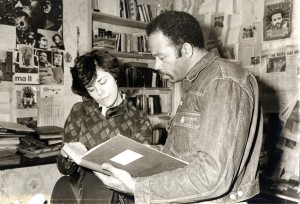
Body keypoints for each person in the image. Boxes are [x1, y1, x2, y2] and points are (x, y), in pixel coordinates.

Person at [94, 11, 263, 203]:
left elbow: (212, 176)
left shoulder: (222, 81)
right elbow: (189, 153)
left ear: (186, 50)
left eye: (161, 57)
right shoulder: (199, 81)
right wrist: (152, 152)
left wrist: (136, 187)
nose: (156, 66)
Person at [51, 49, 152, 204]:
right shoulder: (79, 111)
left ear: (115, 77)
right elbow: (63, 168)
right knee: (63, 185)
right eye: (91, 89)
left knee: (99, 184)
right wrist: (66, 157)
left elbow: (139, 173)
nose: (99, 92)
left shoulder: (139, 119)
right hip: (81, 188)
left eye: (103, 82)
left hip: (121, 193)